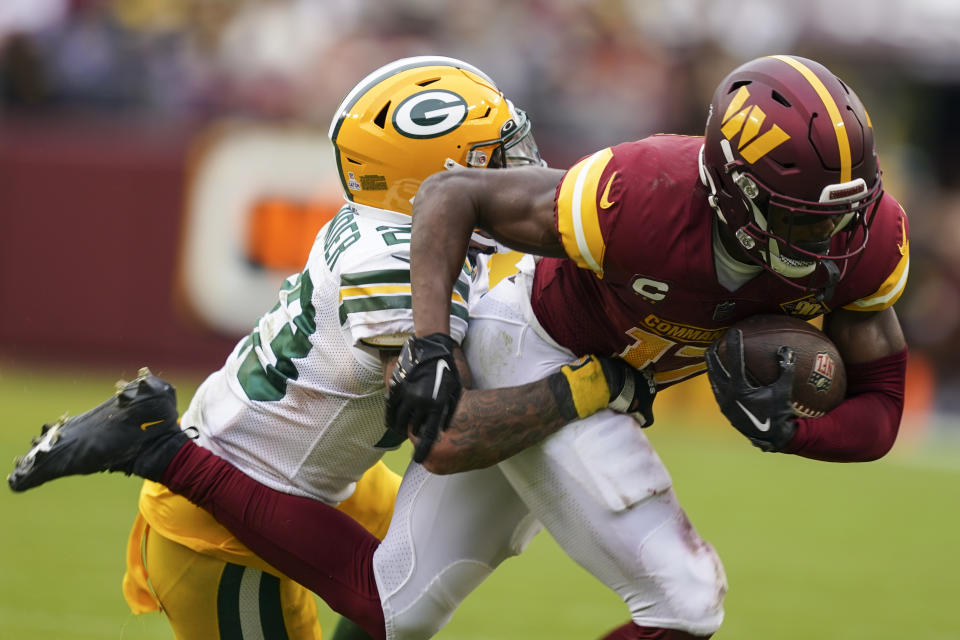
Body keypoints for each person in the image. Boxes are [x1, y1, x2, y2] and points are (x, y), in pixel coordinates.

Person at [9, 54, 907, 640]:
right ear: (729, 192)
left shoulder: (868, 238)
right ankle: (158, 449)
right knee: (685, 599)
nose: (832, 238)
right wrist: (499, 361)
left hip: (345, 453)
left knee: (392, 610)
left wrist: (792, 433)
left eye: (846, 208)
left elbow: (883, 404)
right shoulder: (633, 197)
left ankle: (160, 447)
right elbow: (447, 427)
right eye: (799, 216)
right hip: (529, 362)